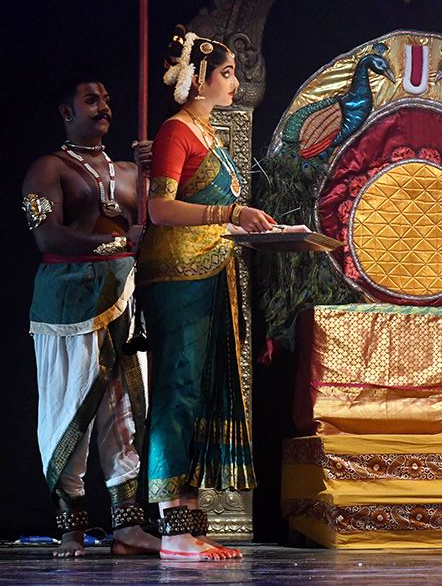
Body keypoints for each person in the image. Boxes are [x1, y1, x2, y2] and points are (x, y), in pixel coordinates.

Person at [137, 27, 276, 561]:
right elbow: (160, 211)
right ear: (198, 79)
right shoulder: (177, 132)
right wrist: (230, 214)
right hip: (177, 277)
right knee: (176, 391)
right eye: (227, 73)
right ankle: (172, 527)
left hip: (208, 271)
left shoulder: (207, 133)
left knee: (196, 396)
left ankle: (187, 523)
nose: (236, 82)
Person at [22, 77, 159, 557]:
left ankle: (126, 529)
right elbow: (47, 238)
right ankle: (72, 527)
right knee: (69, 407)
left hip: (123, 299)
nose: (104, 107)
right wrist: (119, 242)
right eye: (91, 100)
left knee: (124, 410)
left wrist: (151, 174)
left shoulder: (127, 169)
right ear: (66, 111)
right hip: (67, 305)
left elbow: (153, 219)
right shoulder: (47, 168)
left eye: (106, 99)